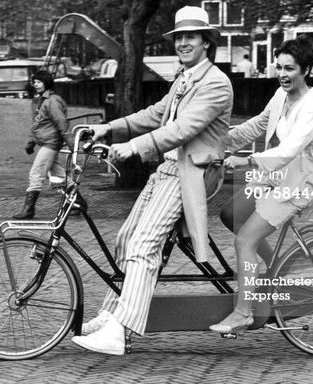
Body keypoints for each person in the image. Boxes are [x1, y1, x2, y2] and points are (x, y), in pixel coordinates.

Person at [71, 6, 233, 355]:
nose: (183, 43)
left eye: (191, 37)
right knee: (127, 238)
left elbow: (181, 129)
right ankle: (111, 314)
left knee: (145, 245)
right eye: (179, 38)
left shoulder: (216, 83)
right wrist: (109, 127)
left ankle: (121, 329)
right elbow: (157, 115)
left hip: (193, 174)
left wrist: (132, 148)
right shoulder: (185, 78)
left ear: (206, 42)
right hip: (171, 170)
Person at [209, 35, 313, 335]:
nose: (282, 74)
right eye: (278, 68)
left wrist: (246, 161)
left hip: (293, 188)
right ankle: (277, 270)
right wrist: (222, 141)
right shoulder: (281, 95)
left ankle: (243, 313)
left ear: (306, 70)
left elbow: (288, 152)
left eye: (289, 69)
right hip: (272, 179)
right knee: (230, 216)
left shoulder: (311, 108)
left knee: (245, 241)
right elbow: (260, 123)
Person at [13, 70, 75, 219]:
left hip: (50, 143)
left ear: (46, 83)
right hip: (46, 142)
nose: (36, 85)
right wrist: (30, 142)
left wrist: (72, 144)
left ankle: (29, 210)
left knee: (36, 173)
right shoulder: (41, 101)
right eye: (34, 82)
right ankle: (78, 201)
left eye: (39, 82)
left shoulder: (52, 101)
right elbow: (37, 124)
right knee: (60, 175)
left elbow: (62, 123)